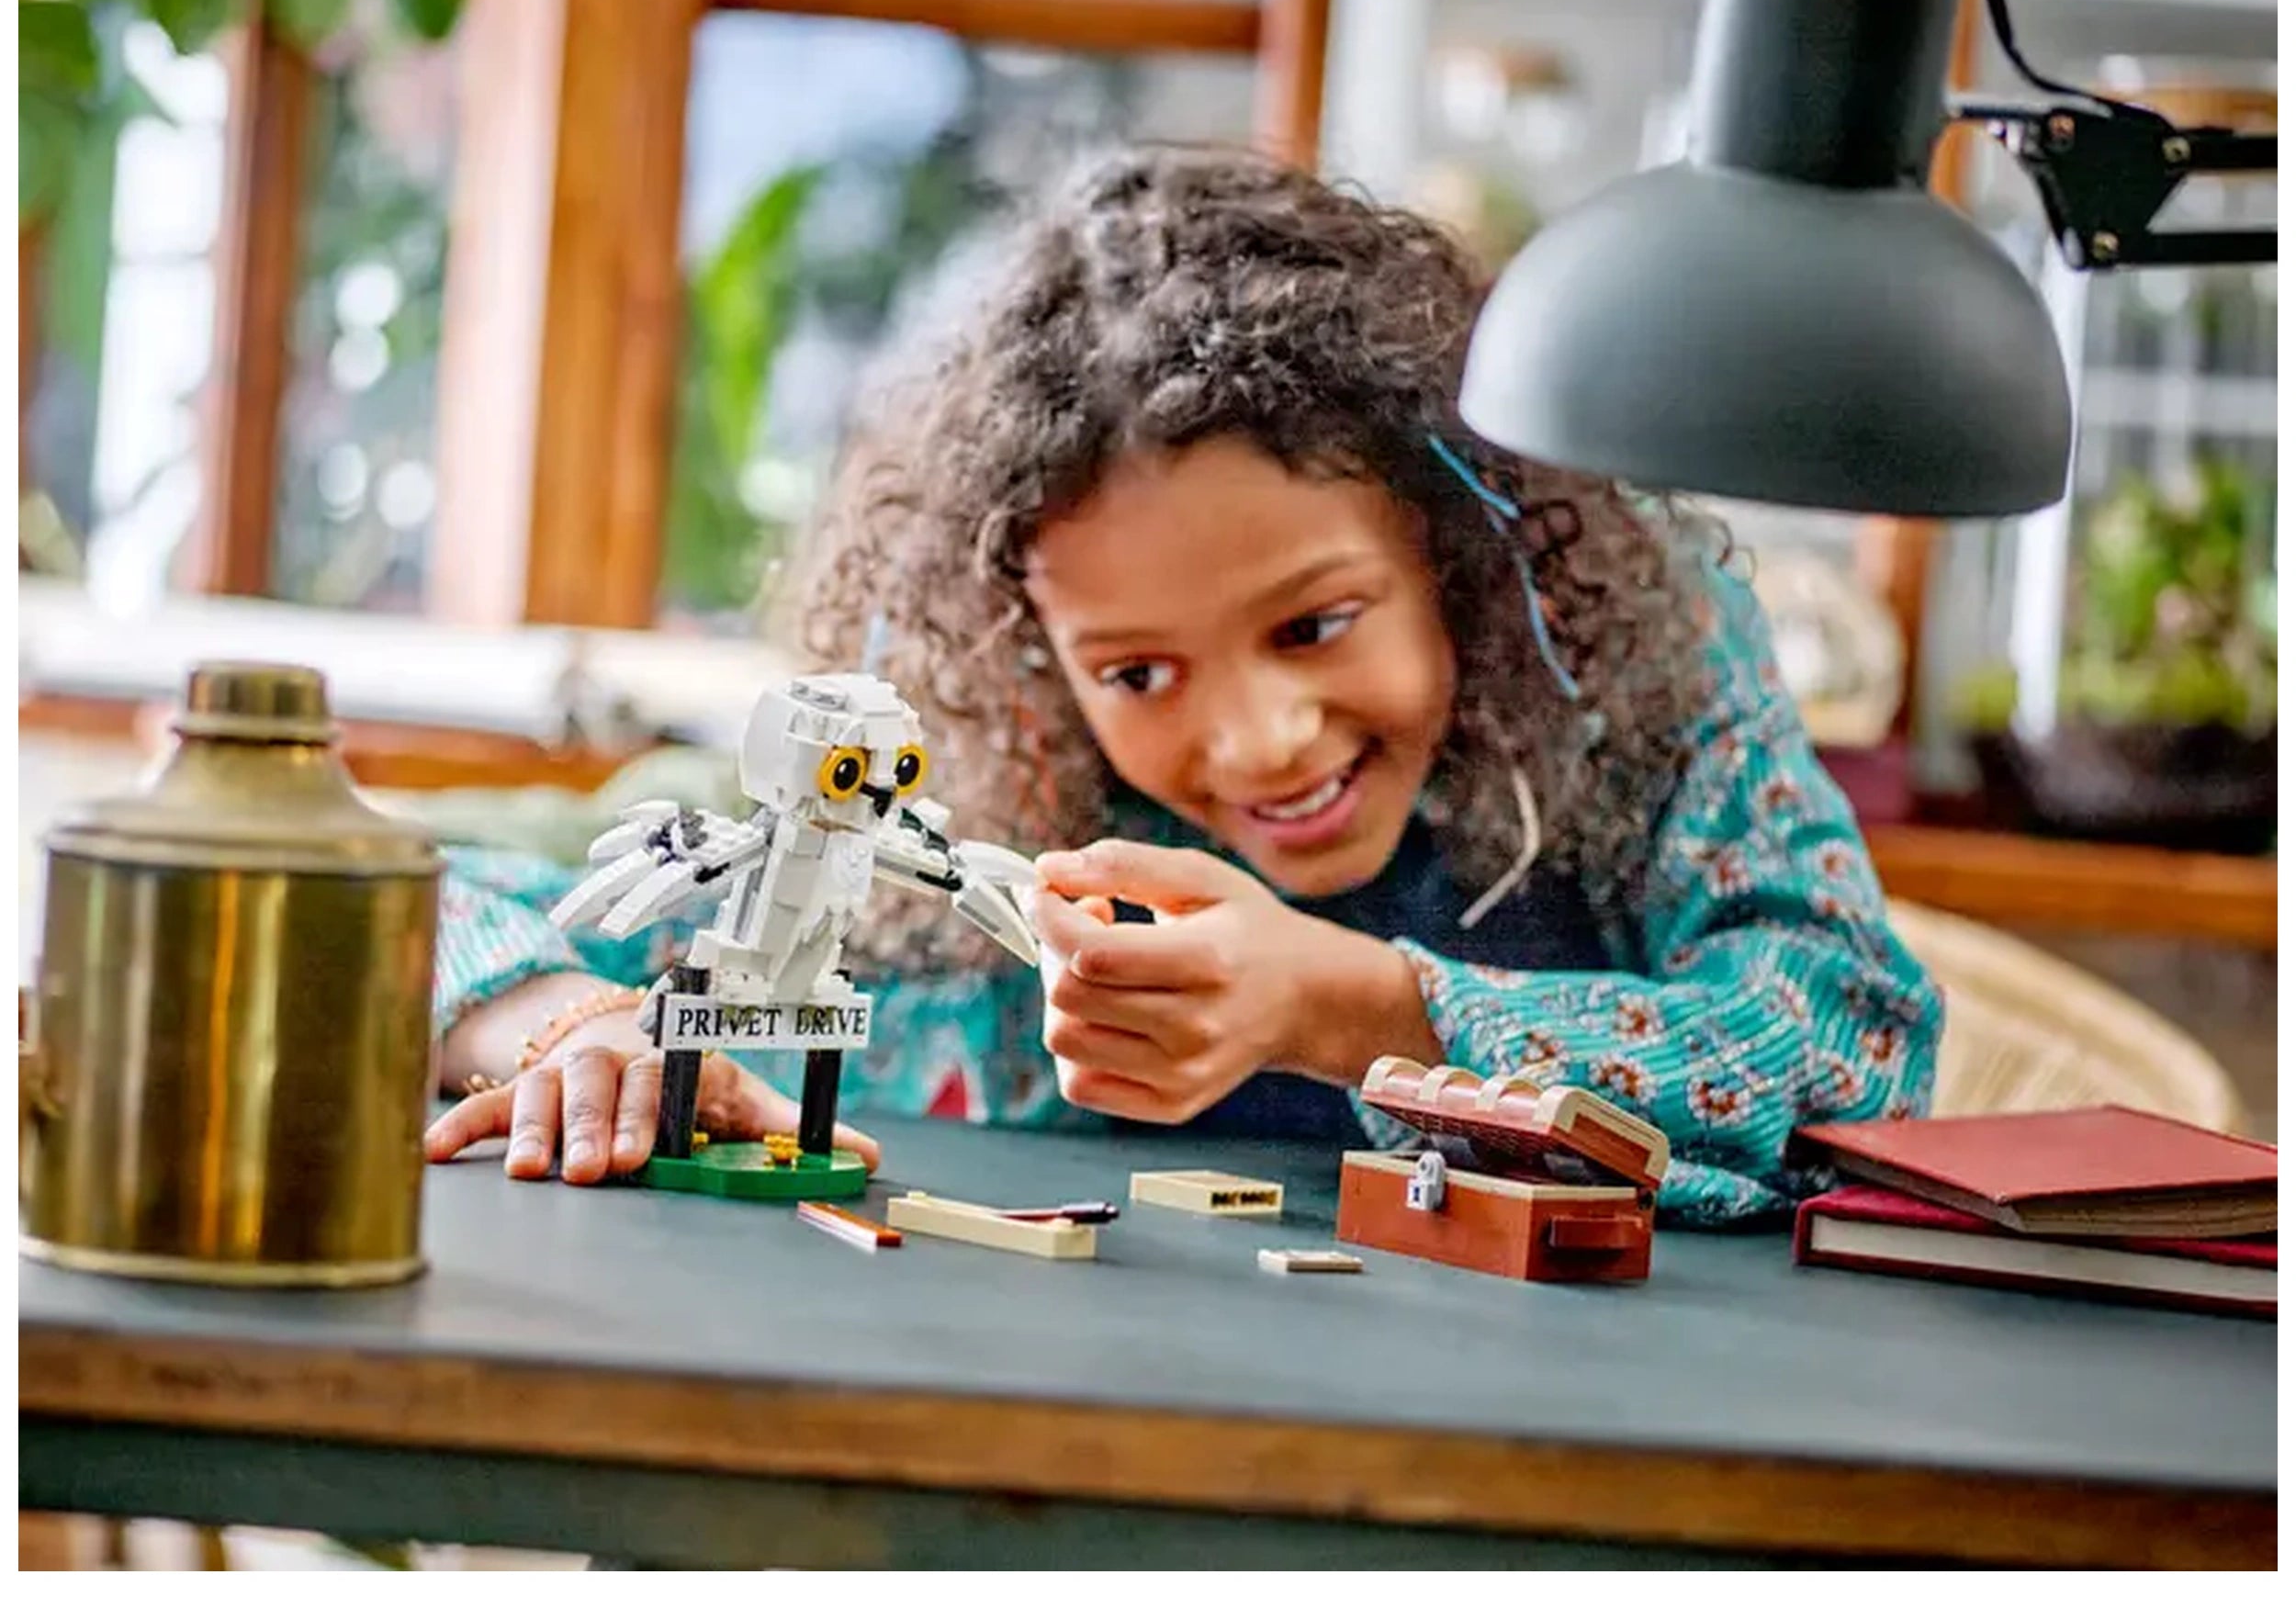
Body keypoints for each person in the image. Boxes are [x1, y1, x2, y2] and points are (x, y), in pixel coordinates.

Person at [425, 147, 1939, 1222]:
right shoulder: (933, 798)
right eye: (1136, 670)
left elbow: (1852, 1048)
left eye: (1317, 624)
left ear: (1463, 553)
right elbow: (403, 888)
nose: (1260, 740)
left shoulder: (1627, 670)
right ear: (1025, 655)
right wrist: (570, 1031)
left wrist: (1359, 1009)